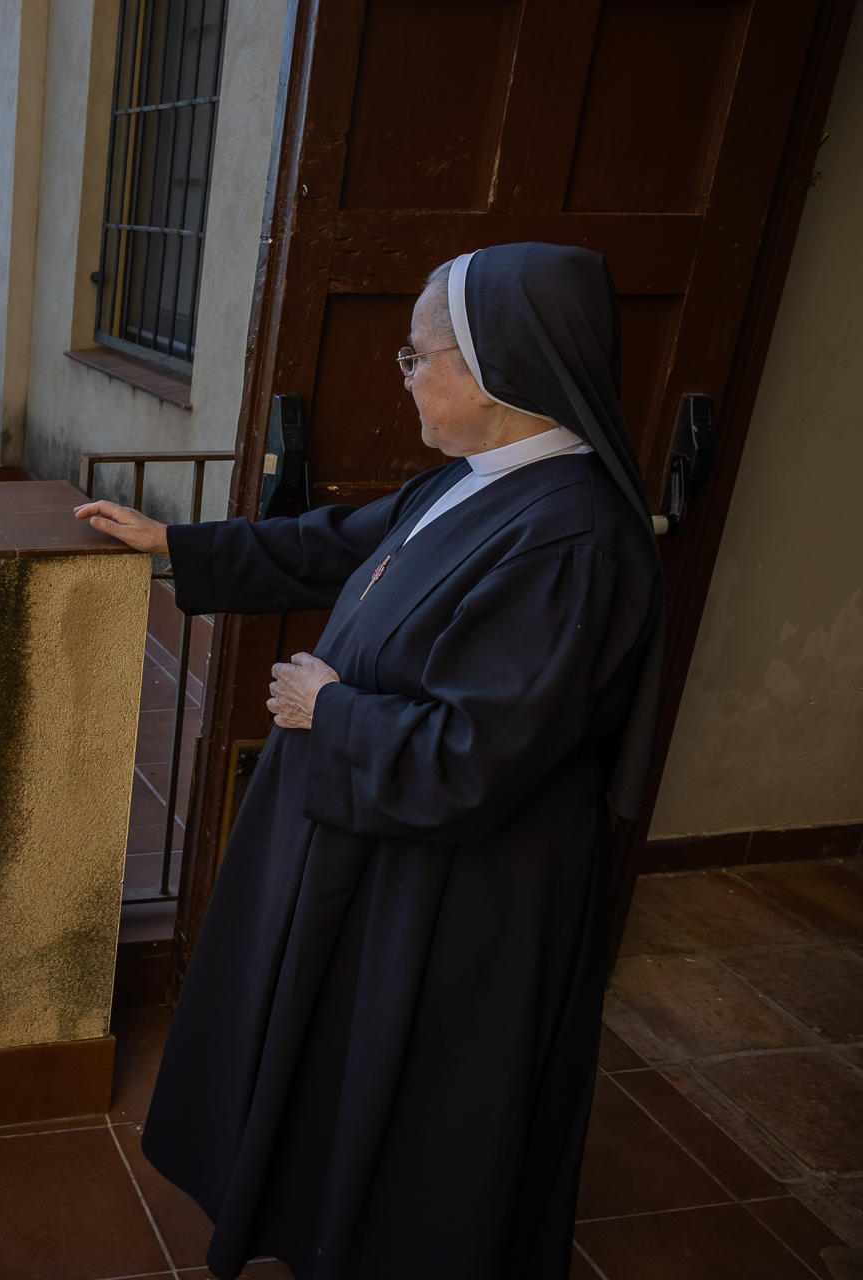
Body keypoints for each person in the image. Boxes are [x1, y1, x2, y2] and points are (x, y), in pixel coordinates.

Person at [74, 243, 664, 1280]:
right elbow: (334, 544)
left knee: (416, 1100)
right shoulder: (475, 484)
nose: (405, 374)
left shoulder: (572, 539)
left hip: (465, 889)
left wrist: (328, 708)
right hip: (395, 855)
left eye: (417, 354)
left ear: (497, 369)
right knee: (348, 1074)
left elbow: (476, 756)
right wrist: (178, 546)